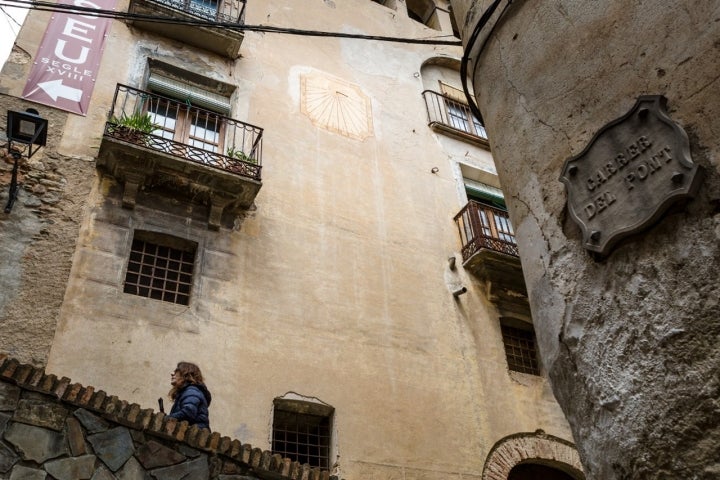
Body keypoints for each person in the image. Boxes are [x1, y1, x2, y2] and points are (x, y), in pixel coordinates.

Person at [167, 361, 212, 430]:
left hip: (194, 437)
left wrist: (166, 418)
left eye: (176, 371)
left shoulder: (192, 391)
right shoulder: (187, 391)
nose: (172, 374)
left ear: (186, 375)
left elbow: (188, 413)